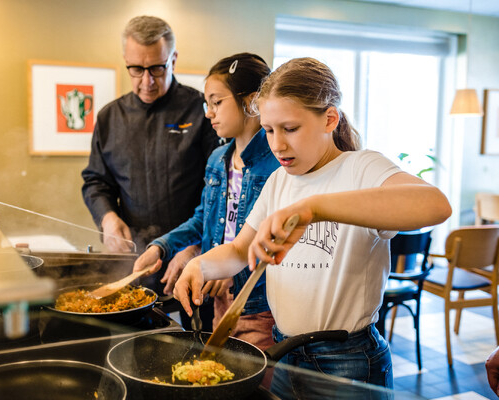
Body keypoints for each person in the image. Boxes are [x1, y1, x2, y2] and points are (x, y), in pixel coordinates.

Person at [173, 57, 452, 398]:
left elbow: (436, 204)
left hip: (347, 358)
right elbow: (238, 249)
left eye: (290, 129)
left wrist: (313, 207)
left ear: (329, 119)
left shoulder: (359, 168)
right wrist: (200, 264)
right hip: (286, 352)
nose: (277, 144)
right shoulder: (278, 181)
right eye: (269, 130)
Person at [132, 53, 278, 349]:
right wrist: (161, 245)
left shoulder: (277, 165)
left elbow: (275, 241)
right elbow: (201, 220)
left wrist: (229, 269)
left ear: (252, 101)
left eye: (217, 102)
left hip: (261, 305)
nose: (209, 113)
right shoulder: (217, 160)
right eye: (206, 104)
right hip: (220, 299)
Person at [81, 16, 220, 292]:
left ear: (173, 59)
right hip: (134, 258)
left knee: (197, 334)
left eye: (157, 68)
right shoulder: (110, 117)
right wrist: (107, 218)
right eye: (136, 69)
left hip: (194, 255)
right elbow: (96, 182)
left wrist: (194, 245)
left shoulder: (202, 111)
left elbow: (218, 188)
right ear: (125, 60)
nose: (147, 81)